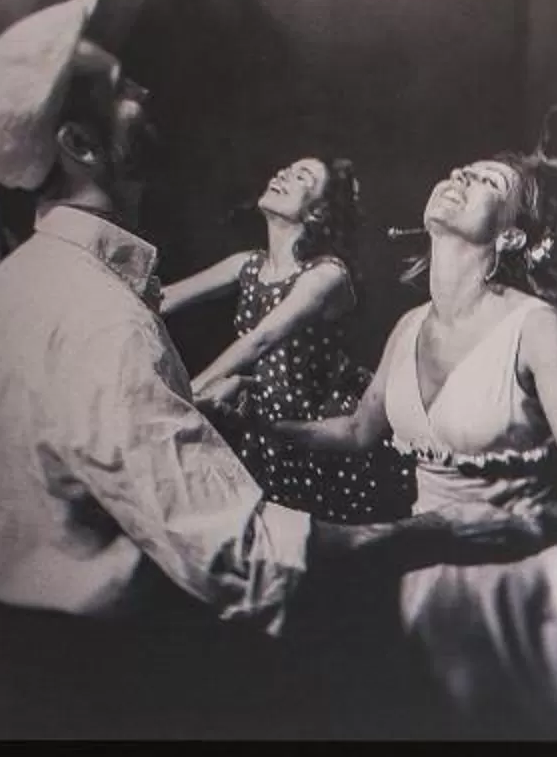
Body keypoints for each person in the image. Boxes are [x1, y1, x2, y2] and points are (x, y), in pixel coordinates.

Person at [0, 0, 476, 743]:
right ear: (81, 141)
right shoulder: (98, 319)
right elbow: (249, 554)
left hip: (41, 653)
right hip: (98, 679)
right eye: (122, 90)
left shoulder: (25, 282)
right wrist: (450, 532)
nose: (145, 96)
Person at [278, 145, 557, 730]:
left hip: (533, 583)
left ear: (512, 237)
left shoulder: (535, 326)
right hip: (432, 578)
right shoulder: (408, 326)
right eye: (457, 170)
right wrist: (250, 425)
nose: (459, 176)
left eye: (485, 180)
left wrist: (524, 531)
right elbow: (359, 432)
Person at [158, 158, 391, 523]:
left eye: (303, 177)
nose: (282, 174)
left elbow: (261, 339)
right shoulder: (247, 264)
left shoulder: (327, 274)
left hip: (320, 436)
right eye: (286, 169)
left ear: (318, 212)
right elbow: (162, 299)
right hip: (263, 432)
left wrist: (186, 395)